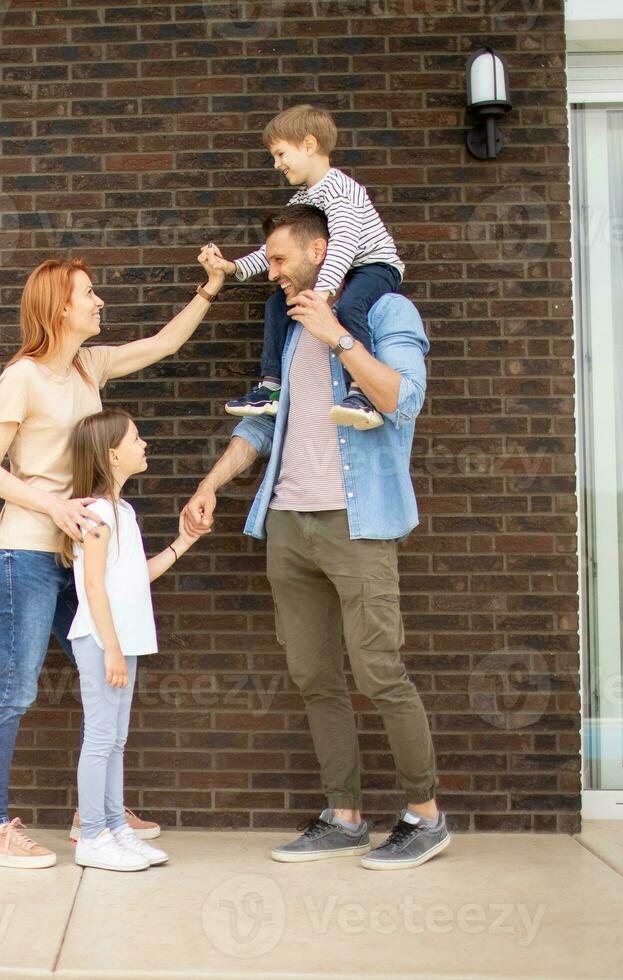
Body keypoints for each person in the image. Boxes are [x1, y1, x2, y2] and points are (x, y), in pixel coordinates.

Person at [185, 205, 449, 871]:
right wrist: (211, 484)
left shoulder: (384, 312)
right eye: (266, 262)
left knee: (378, 670)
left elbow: (400, 400)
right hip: (288, 523)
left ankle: (424, 815)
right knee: (311, 673)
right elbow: (264, 423)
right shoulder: (290, 329)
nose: (269, 273)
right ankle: (344, 814)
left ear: (320, 250)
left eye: (278, 260)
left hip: (356, 524)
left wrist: (336, 335)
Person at [0, 249, 226, 869]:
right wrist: (54, 508)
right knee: (17, 687)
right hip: (26, 554)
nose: (99, 301)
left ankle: (98, 815)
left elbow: (164, 342)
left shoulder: (89, 367)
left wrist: (211, 290)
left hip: (76, 557)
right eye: (88, 293)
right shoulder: (22, 377)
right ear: (59, 306)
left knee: (102, 681)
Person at [58, 408, 202, 871]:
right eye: (137, 439)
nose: (145, 445)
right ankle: (93, 836)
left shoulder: (122, 511)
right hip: (102, 643)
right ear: (112, 453)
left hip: (123, 643)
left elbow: (138, 575)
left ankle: (116, 829)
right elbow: (94, 586)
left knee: (116, 739)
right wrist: (113, 648)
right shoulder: (96, 514)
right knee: (100, 738)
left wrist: (183, 542)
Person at [217, 104, 406, 431]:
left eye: (279, 154)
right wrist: (233, 267)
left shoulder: (343, 190)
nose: (276, 164)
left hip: (375, 265)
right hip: (344, 269)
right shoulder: (301, 202)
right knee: (277, 303)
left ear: (308, 144)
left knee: (349, 305)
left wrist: (321, 295)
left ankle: (362, 394)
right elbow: (272, 251)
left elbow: (343, 245)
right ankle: (271, 387)